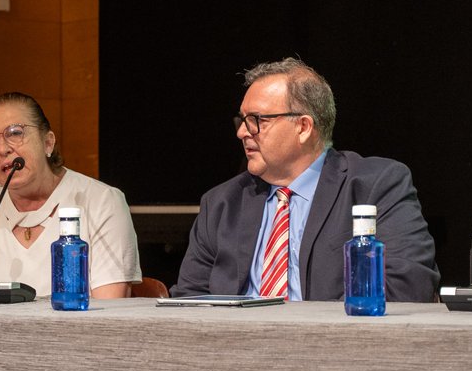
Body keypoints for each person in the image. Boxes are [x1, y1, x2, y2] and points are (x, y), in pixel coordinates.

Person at [172, 58, 440, 301]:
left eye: (256, 120)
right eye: (242, 120)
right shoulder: (221, 203)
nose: (242, 132)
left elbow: (407, 288)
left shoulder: (376, 186)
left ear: (303, 127)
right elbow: (188, 300)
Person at [0, 92, 141, 298]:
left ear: (48, 142)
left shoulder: (102, 202)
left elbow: (109, 314)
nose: (3, 149)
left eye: (15, 133)